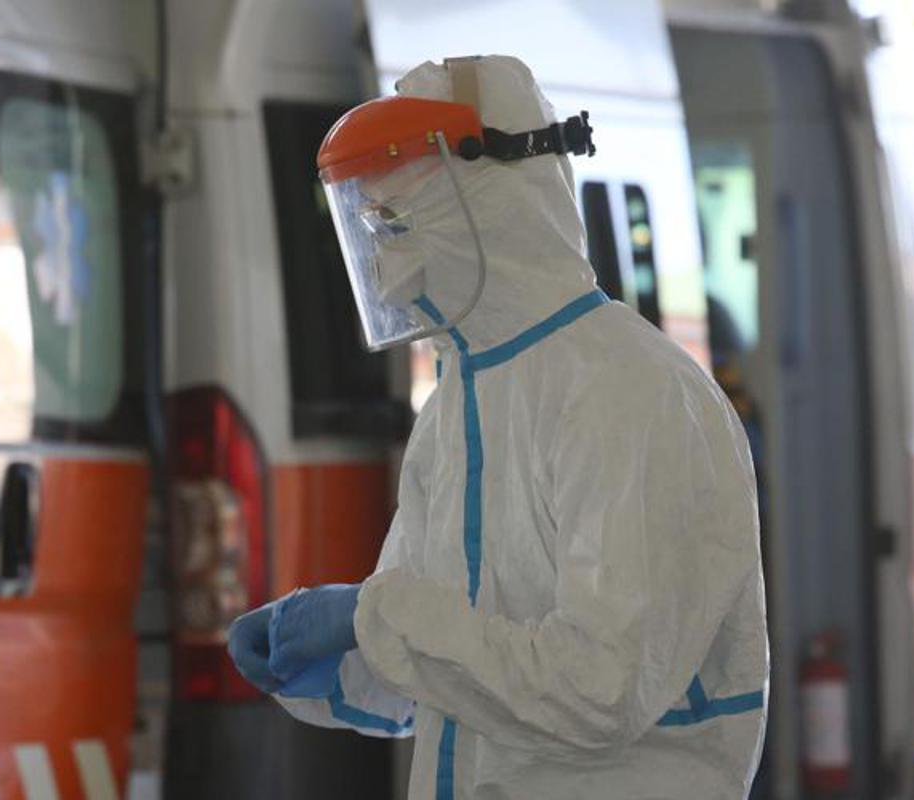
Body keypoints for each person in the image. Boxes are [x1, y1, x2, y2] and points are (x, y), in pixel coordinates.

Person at [228, 54, 768, 799]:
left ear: (490, 201)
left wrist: (371, 617)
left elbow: (601, 689)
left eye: (396, 223)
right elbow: (453, 675)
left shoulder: (630, 393)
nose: (385, 266)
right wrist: (331, 660)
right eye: (372, 230)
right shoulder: (457, 405)